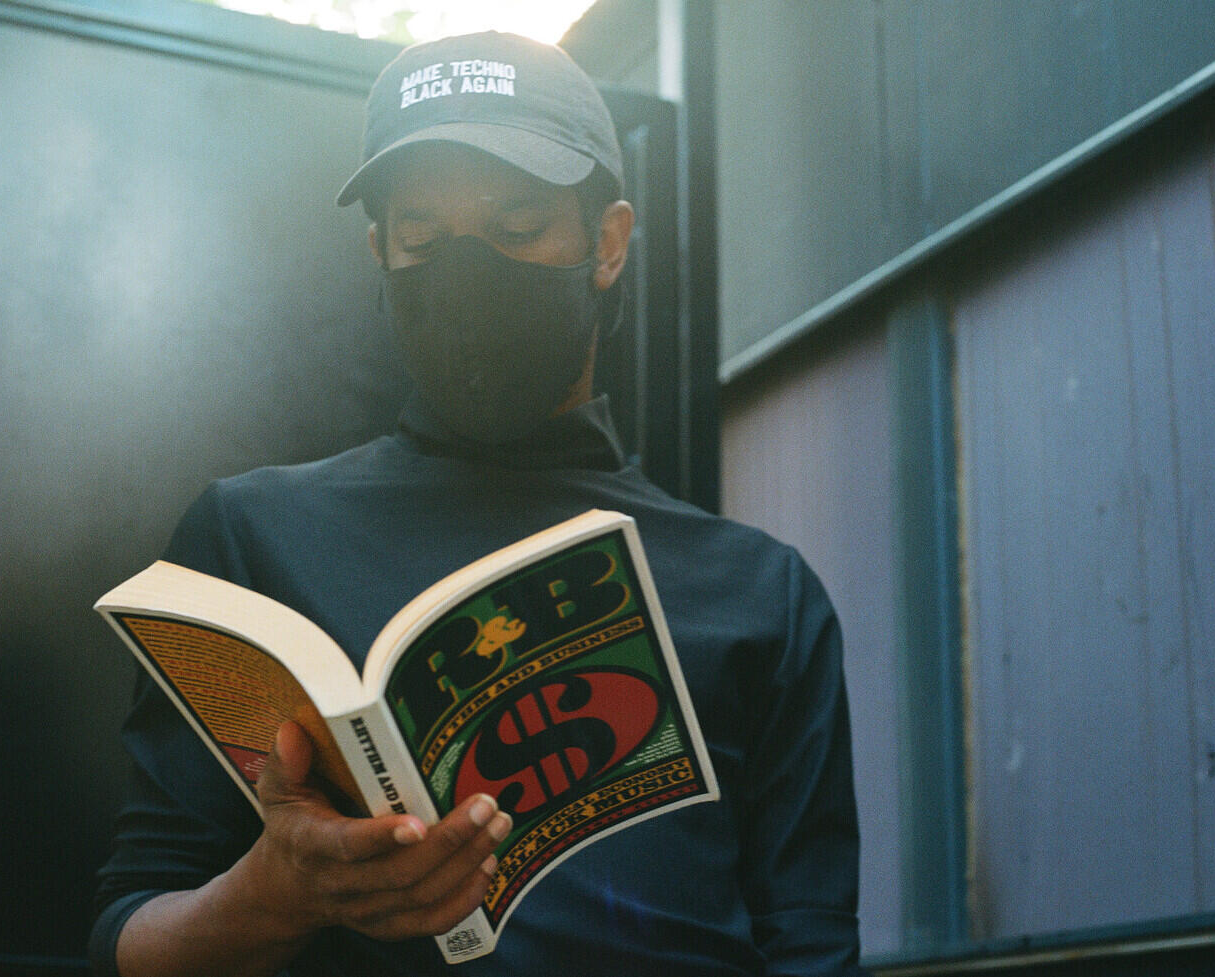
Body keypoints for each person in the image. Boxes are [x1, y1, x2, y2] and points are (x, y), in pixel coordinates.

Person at [90, 30, 867, 977]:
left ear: (608, 243)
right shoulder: (253, 541)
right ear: (381, 252)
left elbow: (814, 945)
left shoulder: (761, 593)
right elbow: (129, 942)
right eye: (423, 236)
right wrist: (276, 891)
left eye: (516, 226)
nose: (469, 272)